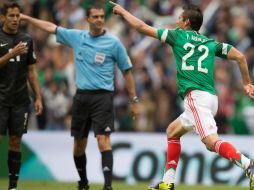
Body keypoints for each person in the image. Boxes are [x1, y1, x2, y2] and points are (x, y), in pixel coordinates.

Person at [110, 2, 254, 190]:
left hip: (196, 98)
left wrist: (122, 11)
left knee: (211, 142)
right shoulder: (210, 43)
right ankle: (168, 182)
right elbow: (241, 57)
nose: (176, 20)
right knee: (172, 131)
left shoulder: (177, 36)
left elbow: (141, 27)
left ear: (186, 22)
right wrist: (246, 83)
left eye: (179, 18)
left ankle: (248, 164)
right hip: (209, 97)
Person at [21, 3, 139, 190]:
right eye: (96, 17)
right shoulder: (77, 37)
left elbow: (127, 71)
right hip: (82, 97)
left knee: (103, 140)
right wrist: (27, 19)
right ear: (87, 20)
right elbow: (51, 28)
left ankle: (108, 186)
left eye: (101, 16)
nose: (100, 20)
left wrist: (134, 100)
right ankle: (83, 181)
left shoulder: (114, 43)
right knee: (79, 145)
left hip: (103, 97)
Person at [0, 1, 43, 190]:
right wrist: (11, 54)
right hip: (0, 99)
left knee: (15, 141)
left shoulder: (26, 39)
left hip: (20, 101)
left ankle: (13, 186)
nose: (15, 19)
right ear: (3, 17)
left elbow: (32, 72)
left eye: (18, 16)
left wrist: (38, 97)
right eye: (11, 16)